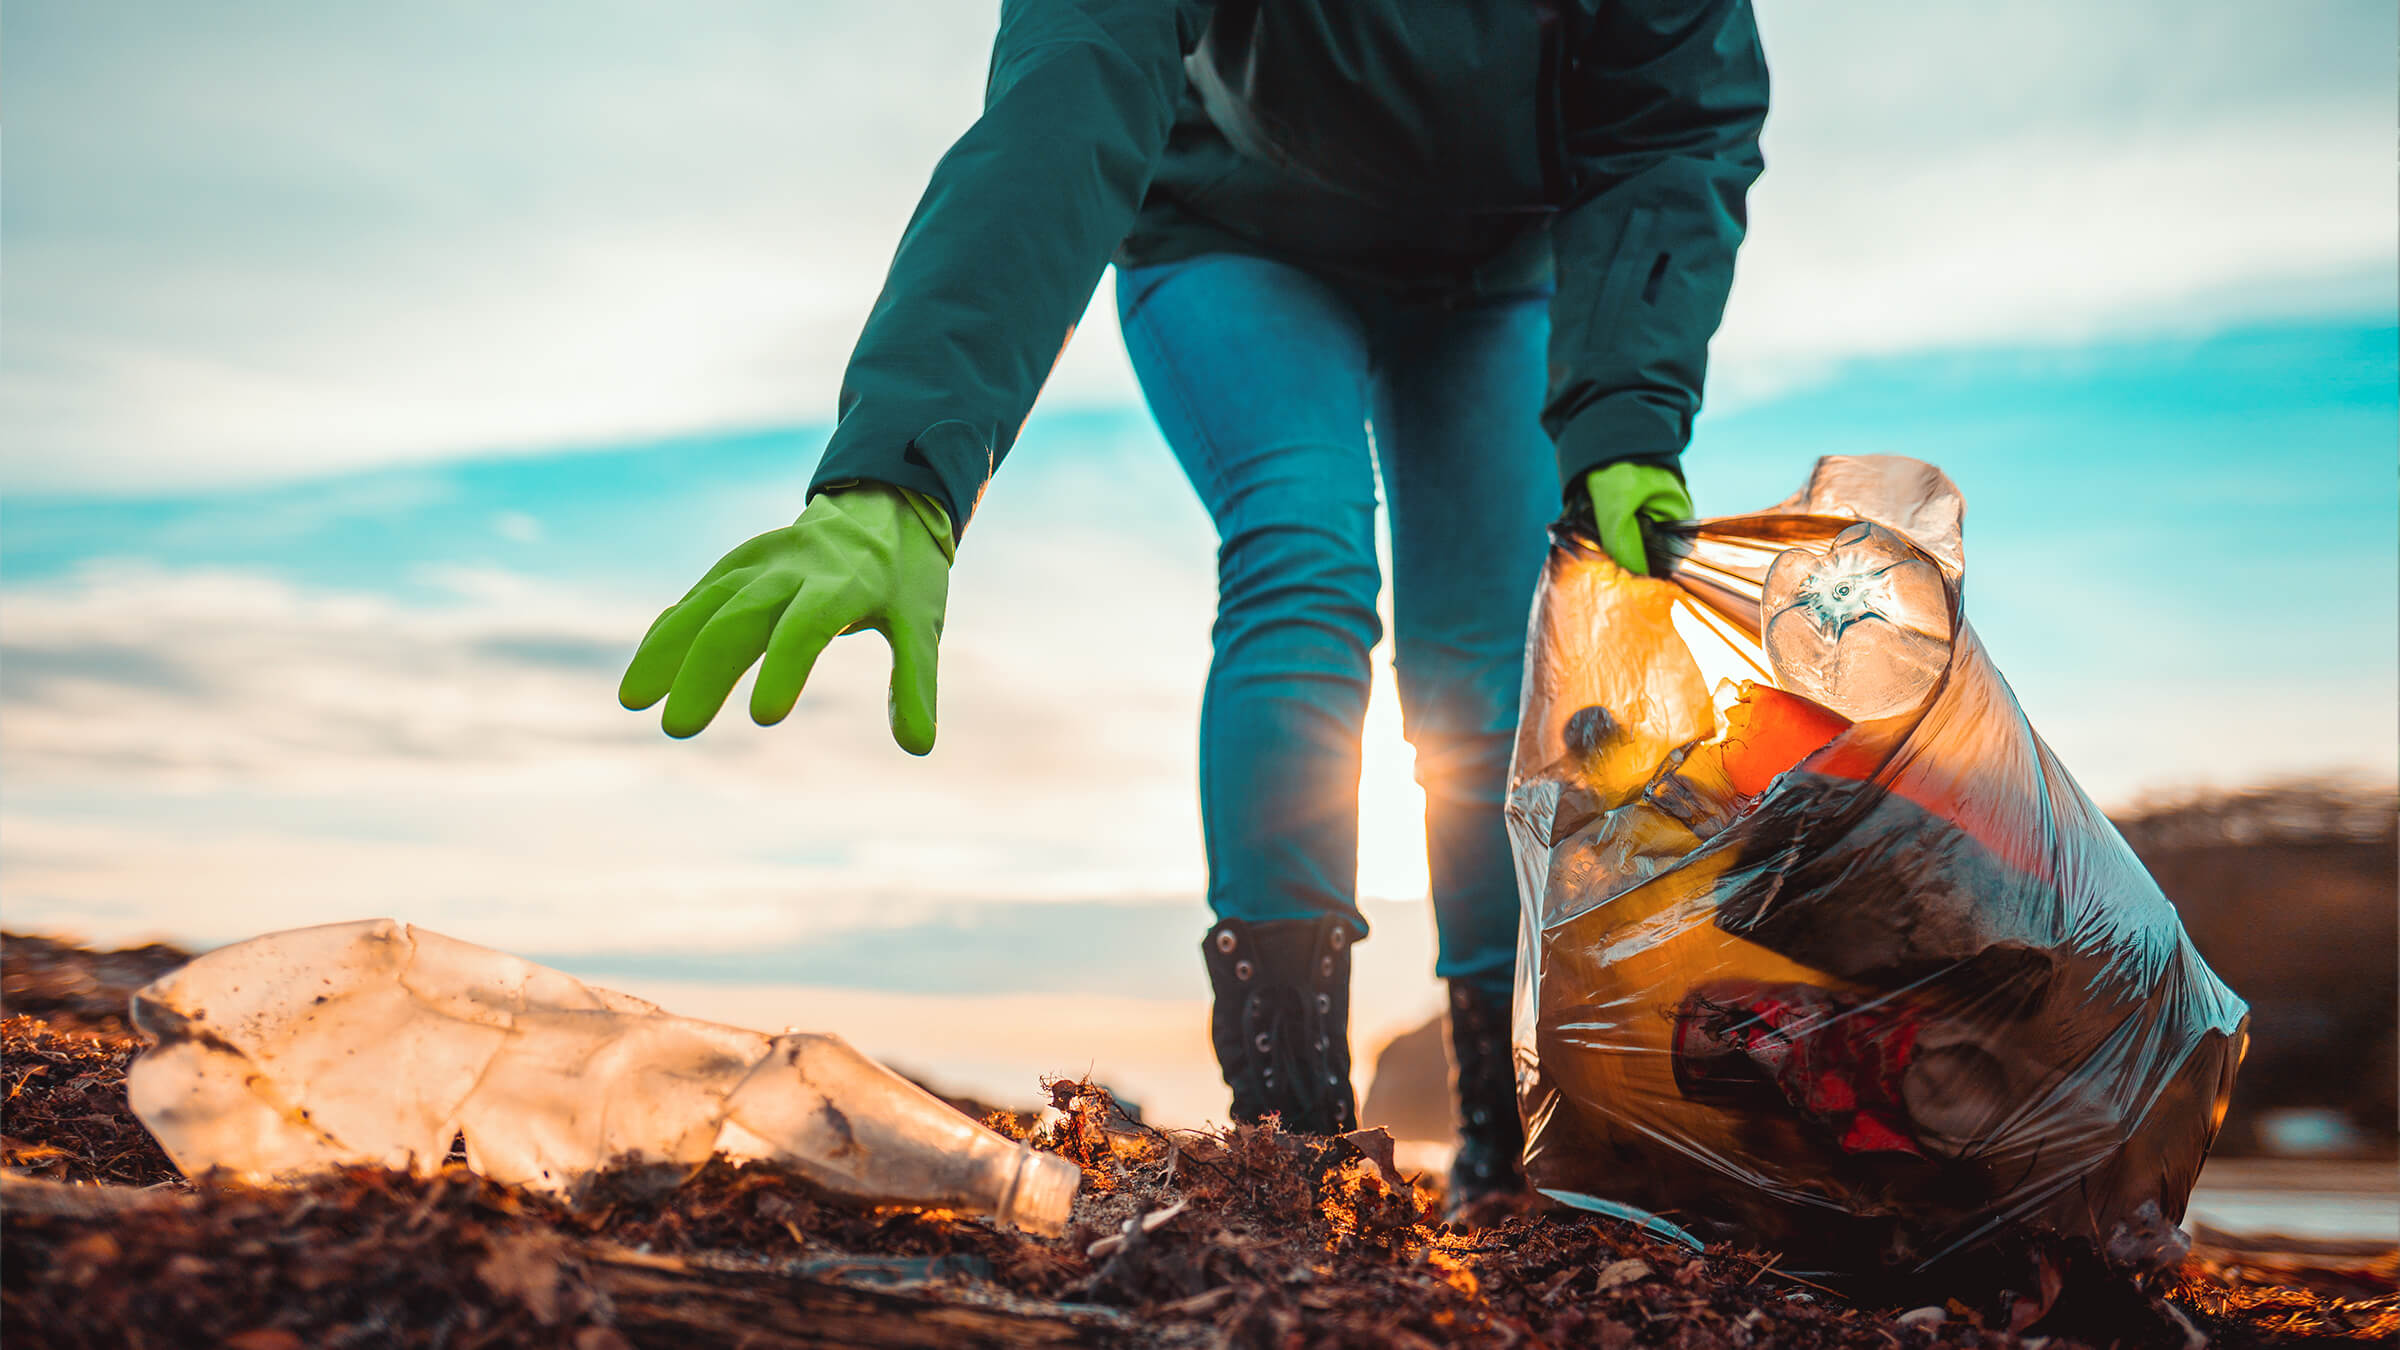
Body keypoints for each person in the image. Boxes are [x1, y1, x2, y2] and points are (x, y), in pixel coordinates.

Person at [619, 0, 1766, 1212]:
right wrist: (905, 465)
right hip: (1237, 233)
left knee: (1487, 683)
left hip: (1498, 272)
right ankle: (1293, 1128)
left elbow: (1674, 117)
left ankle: (1504, 1114)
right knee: (1302, 556)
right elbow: (1075, 84)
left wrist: (1627, 416)